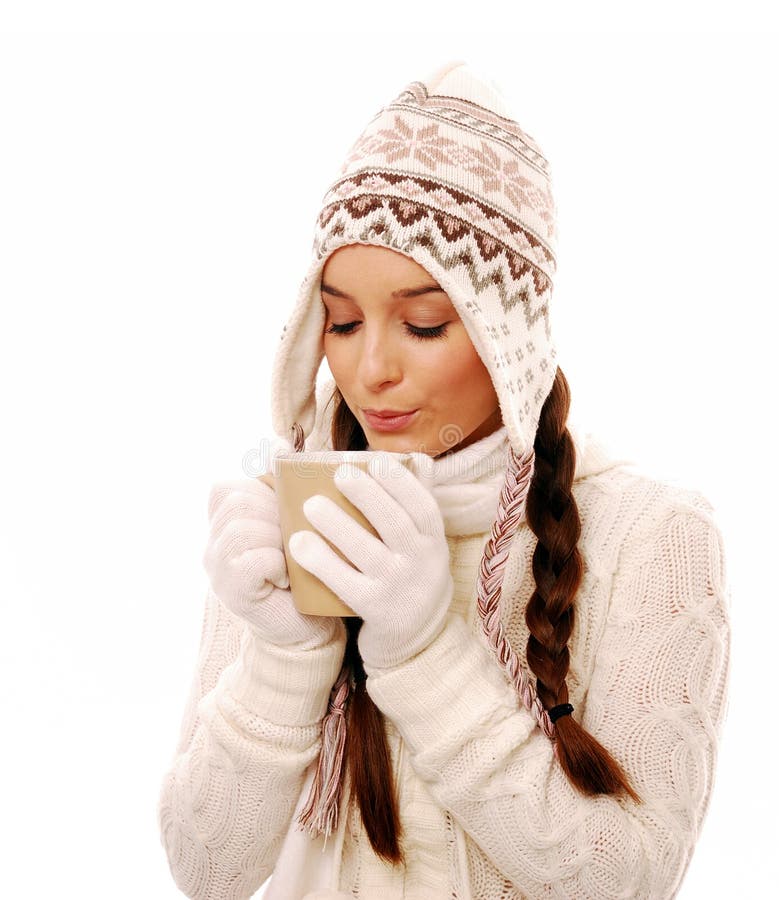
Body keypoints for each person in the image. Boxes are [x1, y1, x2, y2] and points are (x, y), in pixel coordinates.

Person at [157, 60, 732, 899]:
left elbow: (629, 881)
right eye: (342, 321)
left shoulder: (654, 537)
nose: (371, 367)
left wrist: (425, 653)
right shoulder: (295, 520)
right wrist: (284, 657)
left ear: (508, 336)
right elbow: (205, 872)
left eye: (424, 324)